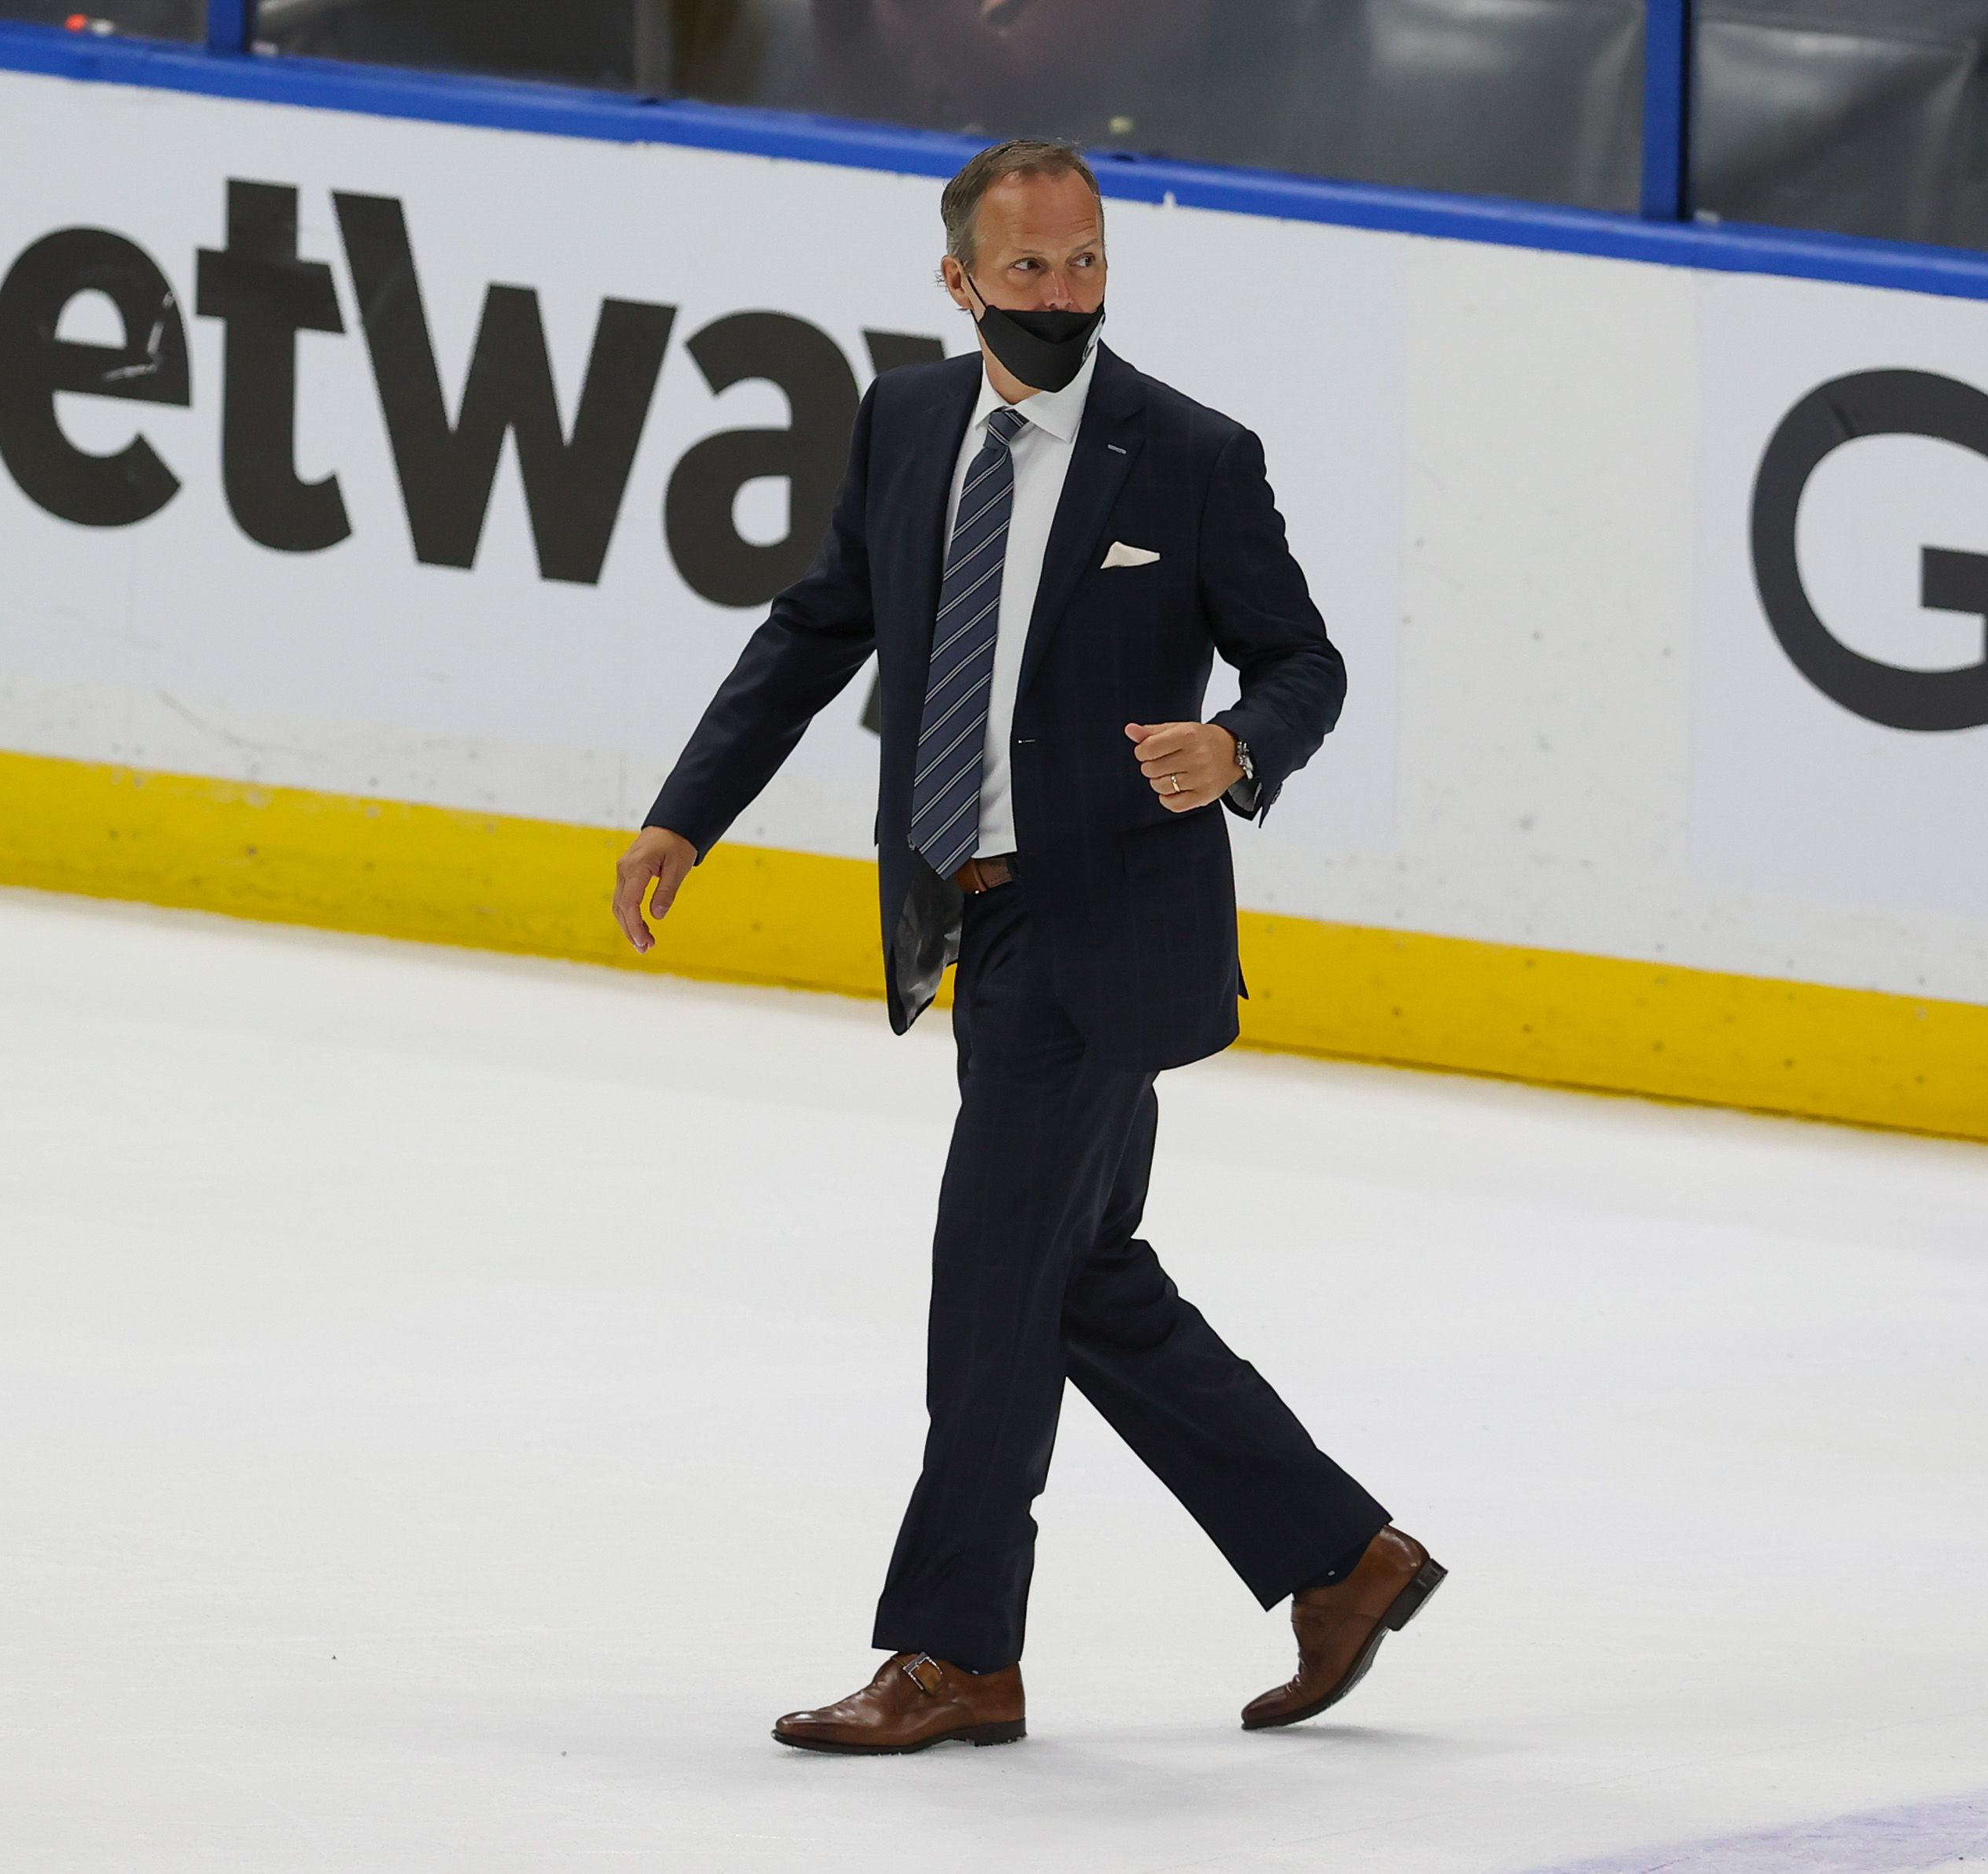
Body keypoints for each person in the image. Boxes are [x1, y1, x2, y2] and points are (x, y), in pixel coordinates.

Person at [611, 138, 1442, 1754]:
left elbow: (1305, 661)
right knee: (1076, 1278)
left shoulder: (1189, 454)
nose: (1066, 290)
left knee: (991, 1281)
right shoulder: (909, 422)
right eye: (1032, 267)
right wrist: (686, 812)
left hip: (1108, 929)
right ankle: (1341, 1555)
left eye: (1088, 262)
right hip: (970, 912)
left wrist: (1240, 750)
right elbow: (817, 623)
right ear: (960, 279)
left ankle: (953, 1652)